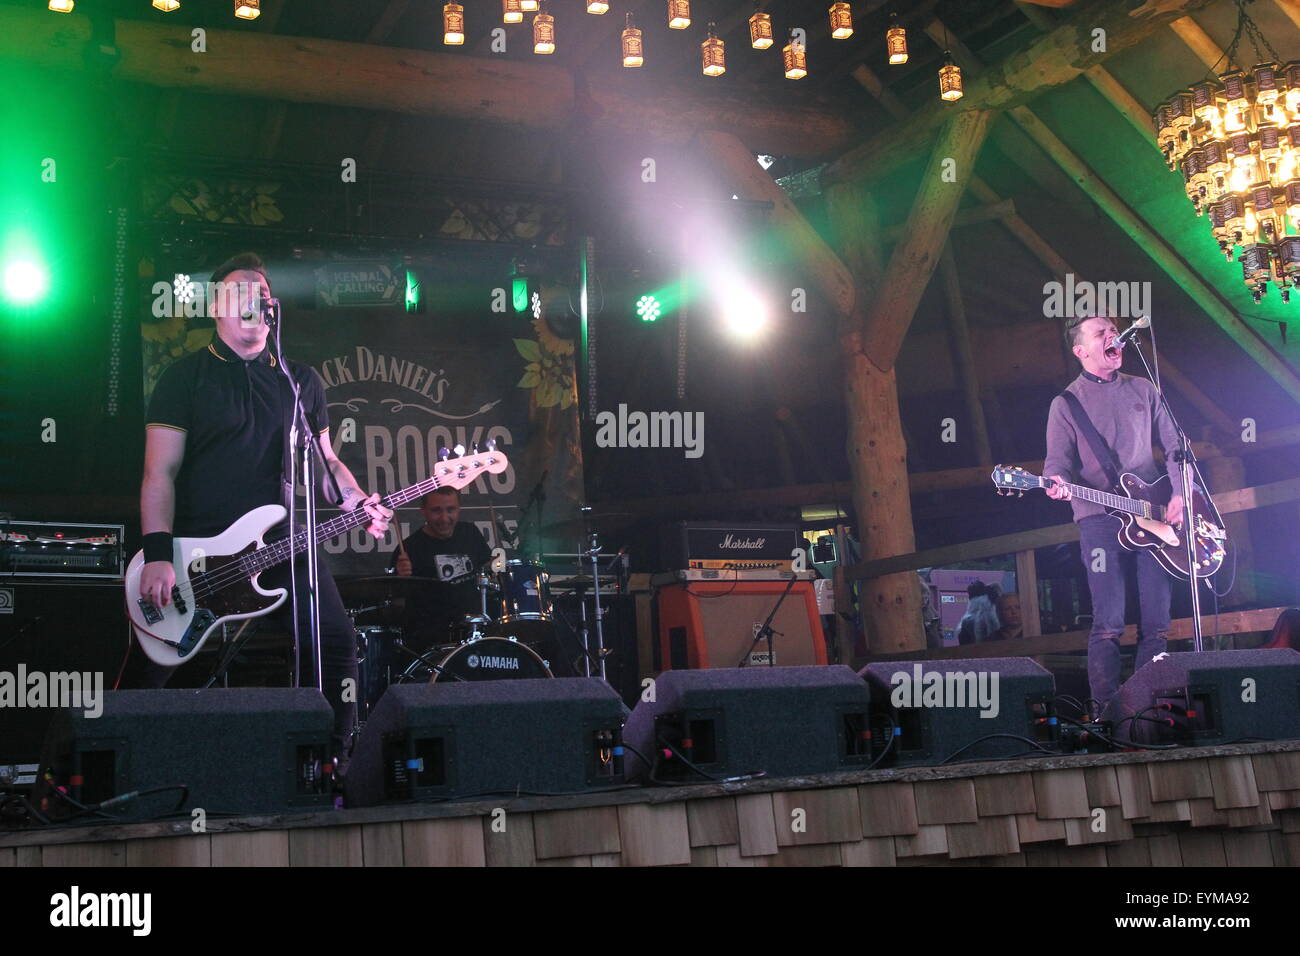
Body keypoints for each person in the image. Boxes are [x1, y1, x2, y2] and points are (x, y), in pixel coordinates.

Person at [137, 252, 392, 764]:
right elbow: (158, 474)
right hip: (201, 550)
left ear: (272, 307)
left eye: (260, 292)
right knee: (154, 664)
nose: (252, 300)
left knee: (336, 644)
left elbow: (327, 464)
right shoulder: (184, 377)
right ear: (216, 308)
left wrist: (357, 498)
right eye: (239, 292)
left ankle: (329, 762)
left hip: (283, 544)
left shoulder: (300, 383)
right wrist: (158, 553)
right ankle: (125, 767)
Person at [1043, 314, 1184, 716]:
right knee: (1108, 623)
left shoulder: (1144, 388)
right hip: (1099, 516)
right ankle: (1107, 714)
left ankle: (1147, 709)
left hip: (1152, 510)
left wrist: (1181, 491)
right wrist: (1053, 482)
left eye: (1113, 331)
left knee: (1157, 623)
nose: (1112, 336)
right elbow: (1057, 463)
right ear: (1081, 351)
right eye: (1100, 333)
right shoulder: (1066, 403)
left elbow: (1175, 446)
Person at [392, 486, 493, 653]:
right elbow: (393, 602)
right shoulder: (409, 548)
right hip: (431, 640)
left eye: (451, 509)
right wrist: (400, 577)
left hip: (475, 630)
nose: (445, 518)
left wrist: (497, 563)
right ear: (423, 511)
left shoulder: (470, 533)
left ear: (459, 508)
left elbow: (489, 570)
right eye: (436, 511)